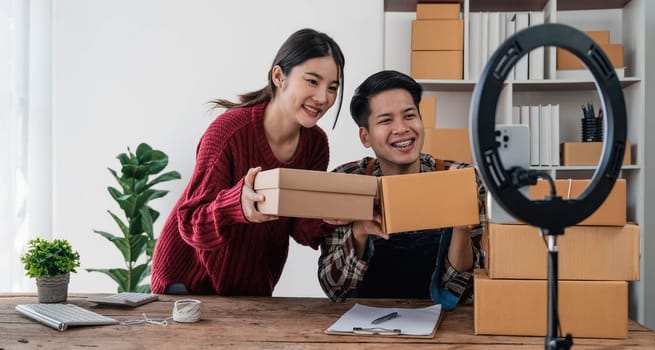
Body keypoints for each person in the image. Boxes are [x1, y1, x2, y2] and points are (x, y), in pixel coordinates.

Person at [151, 28, 345, 296]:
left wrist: (329, 217)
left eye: (332, 88)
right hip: (187, 282)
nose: (323, 98)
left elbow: (299, 225)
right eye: (312, 81)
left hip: (248, 287)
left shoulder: (316, 144)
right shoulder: (228, 132)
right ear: (279, 76)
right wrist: (235, 205)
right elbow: (191, 222)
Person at [318, 70, 485, 310]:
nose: (402, 128)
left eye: (409, 116)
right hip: (364, 328)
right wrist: (359, 232)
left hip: (445, 326)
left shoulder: (462, 178)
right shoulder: (345, 182)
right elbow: (334, 289)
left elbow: (465, 293)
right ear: (365, 136)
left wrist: (461, 230)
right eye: (386, 120)